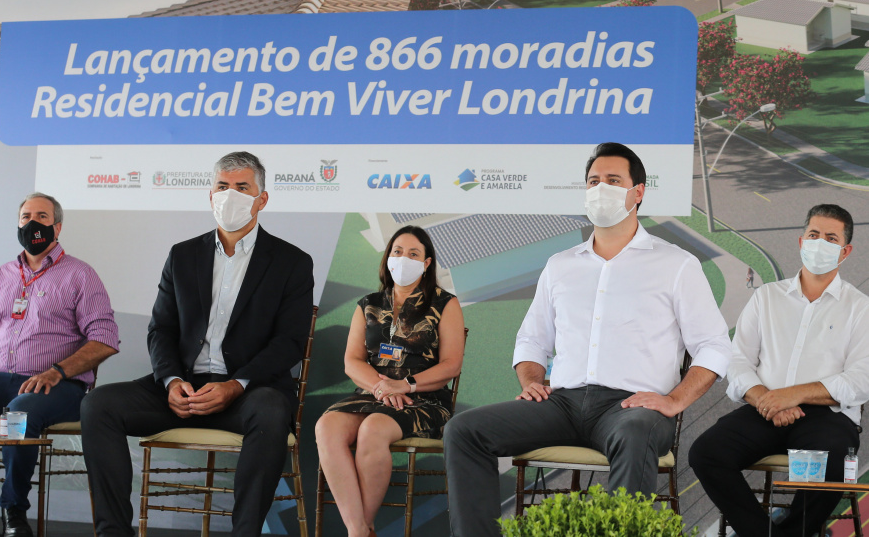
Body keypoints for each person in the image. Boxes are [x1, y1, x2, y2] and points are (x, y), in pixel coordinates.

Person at [443, 142, 733, 537]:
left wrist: (674, 400)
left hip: (631, 408)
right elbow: (531, 339)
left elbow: (714, 345)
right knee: (464, 430)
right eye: (594, 180)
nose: (601, 188)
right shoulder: (561, 265)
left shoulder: (676, 264)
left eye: (613, 180)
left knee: (636, 433)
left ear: (639, 192)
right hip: (560, 402)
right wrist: (531, 382)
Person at [81, 151, 314, 536]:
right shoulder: (183, 255)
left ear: (262, 199)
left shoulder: (291, 261)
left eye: (242, 187)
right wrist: (171, 381)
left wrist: (235, 384)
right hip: (184, 388)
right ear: (210, 195)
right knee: (98, 405)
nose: (230, 196)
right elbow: (160, 330)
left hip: (248, 391)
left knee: (271, 411)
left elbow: (290, 342)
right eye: (222, 187)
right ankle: (113, 533)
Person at [690, 204, 869, 537]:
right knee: (706, 453)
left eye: (831, 238)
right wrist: (765, 400)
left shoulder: (861, 308)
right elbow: (738, 360)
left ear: (846, 251)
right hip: (764, 410)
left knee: (832, 463)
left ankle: (792, 533)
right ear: (802, 241)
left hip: (827, 417)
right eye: (814, 235)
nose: (820, 243)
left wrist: (793, 394)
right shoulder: (766, 297)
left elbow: (861, 380)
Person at [0, 193, 119, 537]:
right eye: (26, 215)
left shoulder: (80, 274)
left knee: (21, 411)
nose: (33, 223)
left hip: (59, 386)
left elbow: (105, 338)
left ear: (57, 226)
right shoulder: (2, 274)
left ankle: (13, 510)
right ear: (18, 224)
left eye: (42, 216)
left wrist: (56, 371)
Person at [316, 226, 465, 537]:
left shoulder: (445, 303)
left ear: (426, 264)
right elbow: (352, 362)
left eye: (413, 254)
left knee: (372, 429)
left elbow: (452, 365)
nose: (403, 258)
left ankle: (360, 530)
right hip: (372, 393)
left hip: (423, 398)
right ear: (387, 258)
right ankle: (360, 530)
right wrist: (383, 388)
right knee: (325, 427)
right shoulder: (369, 303)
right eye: (397, 251)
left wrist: (405, 385)